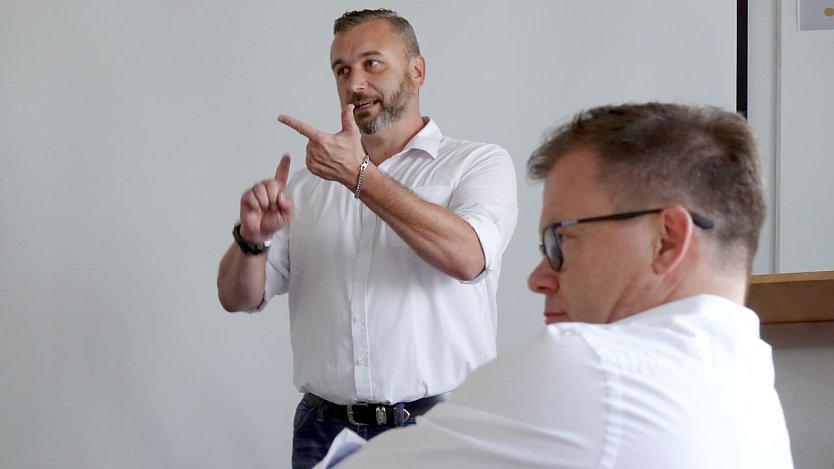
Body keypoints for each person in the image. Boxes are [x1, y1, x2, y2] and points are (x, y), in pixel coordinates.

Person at [314, 102, 794, 468]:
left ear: (666, 239)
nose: (538, 278)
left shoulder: (593, 367)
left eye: (560, 240)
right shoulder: (750, 385)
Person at [215, 8, 518, 469]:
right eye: (342, 70)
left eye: (372, 63)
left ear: (417, 71)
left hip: (443, 430)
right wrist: (250, 240)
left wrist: (358, 176)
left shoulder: (477, 164)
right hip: (324, 432)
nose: (355, 83)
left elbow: (468, 257)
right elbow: (238, 298)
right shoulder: (306, 187)